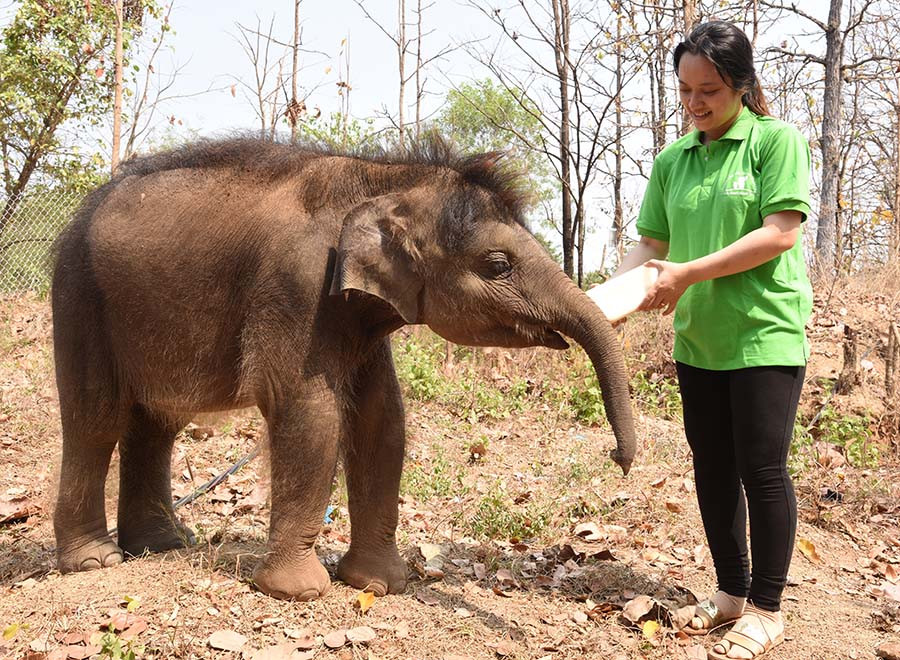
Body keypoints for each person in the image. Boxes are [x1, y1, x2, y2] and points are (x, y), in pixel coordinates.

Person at [615, 20, 812, 660]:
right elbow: (652, 243)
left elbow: (780, 232)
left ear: (741, 86)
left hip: (763, 334)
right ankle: (730, 594)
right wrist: (607, 299)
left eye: (710, 91)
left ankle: (767, 609)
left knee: (762, 468)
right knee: (713, 467)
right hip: (698, 339)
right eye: (685, 90)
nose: (695, 103)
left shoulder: (775, 142)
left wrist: (688, 273)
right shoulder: (674, 160)